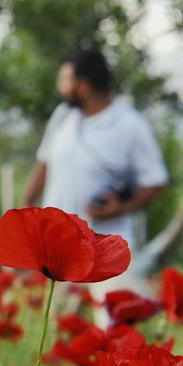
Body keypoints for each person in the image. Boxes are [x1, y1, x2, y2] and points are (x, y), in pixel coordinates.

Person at [20, 48, 168, 325]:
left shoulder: (129, 125)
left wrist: (121, 207)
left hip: (106, 247)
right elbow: (44, 162)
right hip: (58, 244)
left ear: (84, 86)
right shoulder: (63, 116)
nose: (60, 87)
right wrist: (24, 208)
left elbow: (156, 180)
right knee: (57, 327)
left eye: (65, 80)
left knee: (111, 327)